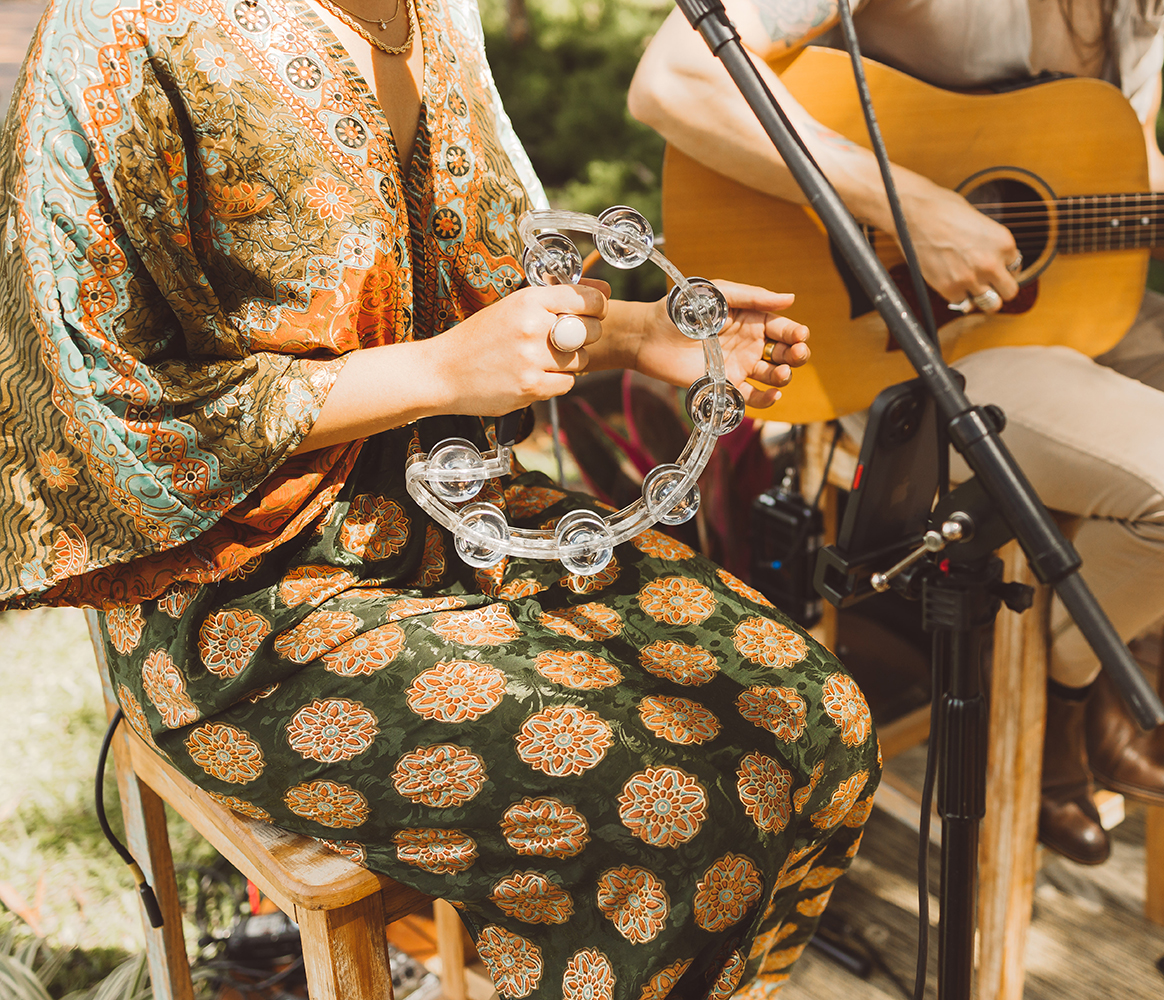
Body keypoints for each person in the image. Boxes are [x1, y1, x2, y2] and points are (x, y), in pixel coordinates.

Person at [0, 0, 881, 994]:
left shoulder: (429, 11)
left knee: (825, 726)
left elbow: (487, 304)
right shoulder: (124, 29)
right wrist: (435, 373)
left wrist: (640, 334)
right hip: (241, 609)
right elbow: (97, 419)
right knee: (675, 819)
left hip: (464, 527)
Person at [629, 0, 1164, 864]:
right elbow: (675, 80)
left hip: (1065, 307)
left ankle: (1071, 656)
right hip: (887, 334)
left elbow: (1125, 161)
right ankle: (1070, 686)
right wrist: (916, 209)